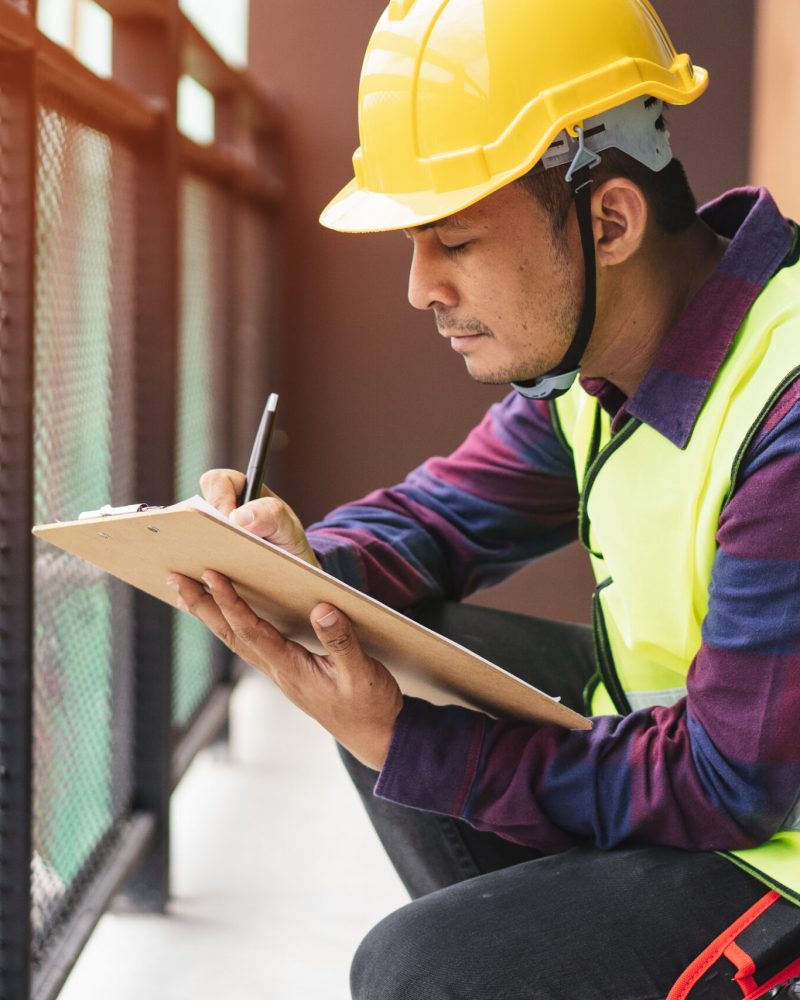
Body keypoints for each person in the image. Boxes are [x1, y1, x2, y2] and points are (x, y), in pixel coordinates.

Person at [168, 1, 800, 996]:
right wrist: (298, 563)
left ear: (608, 220)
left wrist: (408, 742)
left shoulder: (786, 409)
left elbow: (730, 788)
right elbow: (434, 518)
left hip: (772, 854)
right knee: (364, 637)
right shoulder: (600, 360)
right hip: (714, 786)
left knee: (422, 966)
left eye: (452, 243)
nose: (419, 288)